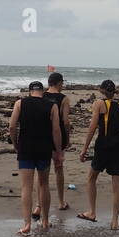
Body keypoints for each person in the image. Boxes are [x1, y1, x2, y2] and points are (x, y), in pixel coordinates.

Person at [8, 81, 62, 235]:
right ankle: (45, 220)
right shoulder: (52, 105)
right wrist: (58, 152)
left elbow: (12, 126)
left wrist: (15, 144)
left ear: (30, 91)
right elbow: (56, 131)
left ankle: (27, 224)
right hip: (44, 148)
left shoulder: (20, 103)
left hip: (26, 147)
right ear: (43, 91)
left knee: (26, 186)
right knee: (44, 184)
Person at [78, 79, 119, 230]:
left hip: (104, 144)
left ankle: (92, 212)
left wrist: (84, 149)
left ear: (101, 91)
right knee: (117, 184)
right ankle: (115, 221)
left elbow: (93, 126)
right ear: (114, 93)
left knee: (91, 177)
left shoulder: (99, 104)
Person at [33, 71, 73, 218]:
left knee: (42, 172)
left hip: (43, 136)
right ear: (59, 83)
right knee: (58, 168)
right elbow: (66, 121)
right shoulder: (64, 99)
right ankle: (61, 201)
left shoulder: (41, 95)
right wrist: (67, 138)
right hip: (58, 136)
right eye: (62, 83)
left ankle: (38, 204)